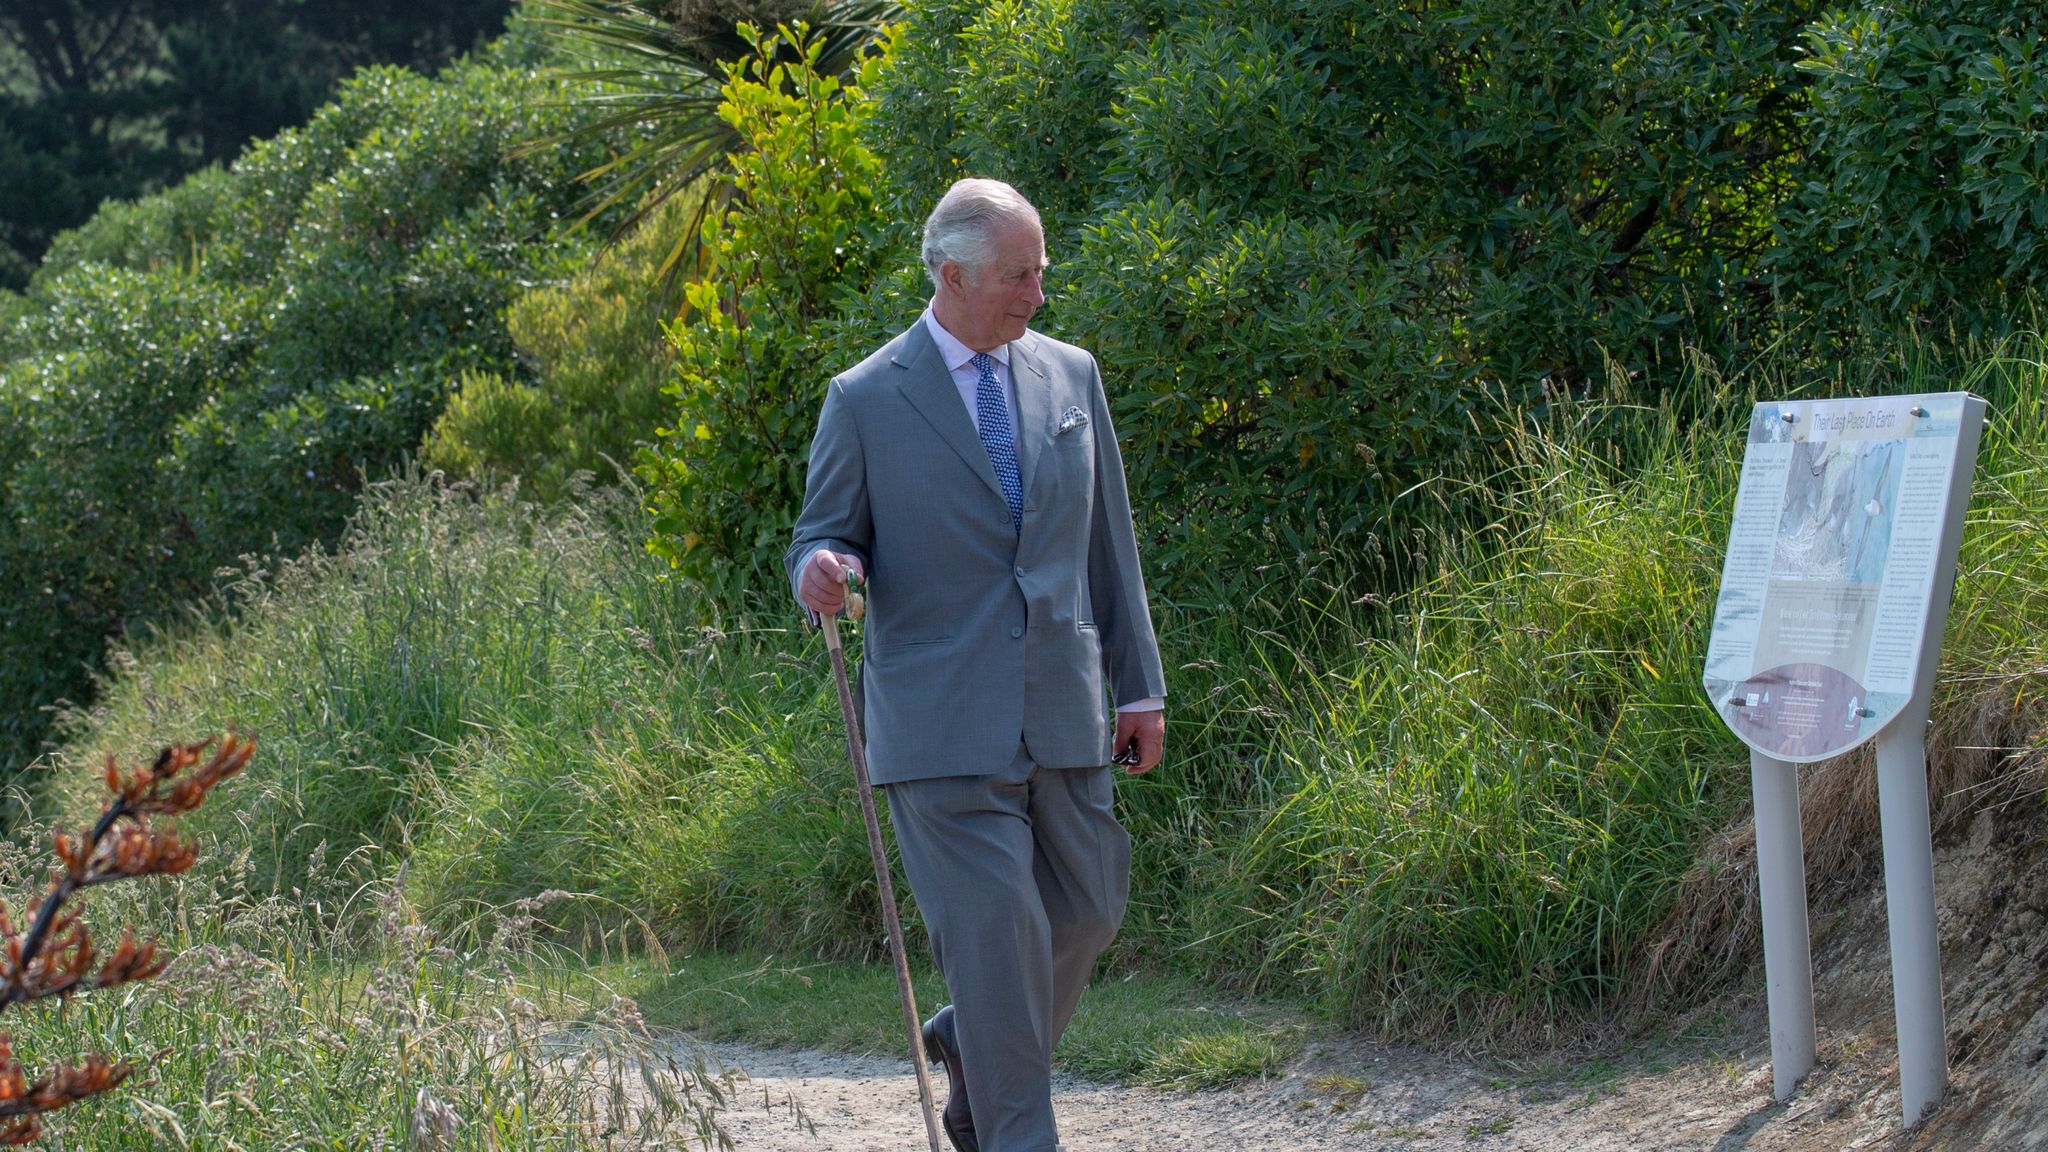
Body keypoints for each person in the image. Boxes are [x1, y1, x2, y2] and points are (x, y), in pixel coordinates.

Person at [786, 178, 1167, 1152]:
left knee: (1088, 911)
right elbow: (823, 535)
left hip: (1065, 704)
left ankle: (970, 1039)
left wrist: (1139, 686)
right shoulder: (866, 397)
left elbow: (1108, 547)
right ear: (951, 276)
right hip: (939, 726)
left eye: (1039, 271)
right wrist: (825, 570)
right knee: (1000, 945)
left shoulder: (1072, 375)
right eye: (1017, 275)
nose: (1037, 292)